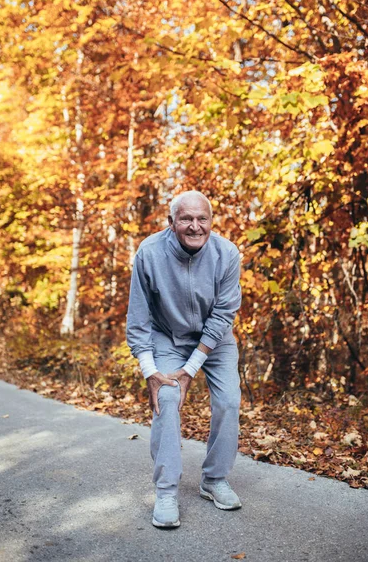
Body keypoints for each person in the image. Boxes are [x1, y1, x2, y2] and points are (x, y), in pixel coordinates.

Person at [126, 190, 242, 528]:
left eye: (201, 218)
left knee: (229, 401)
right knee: (167, 397)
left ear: (211, 221)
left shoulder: (227, 254)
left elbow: (223, 315)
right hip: (168, 337)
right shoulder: (149, 253)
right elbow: (138, 318)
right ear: (171, 223)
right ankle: (165, 491)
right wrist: (150, 371)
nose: (195, 226)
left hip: (215, 340)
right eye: (186, 219)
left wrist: (192, 368)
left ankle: (214, 479)